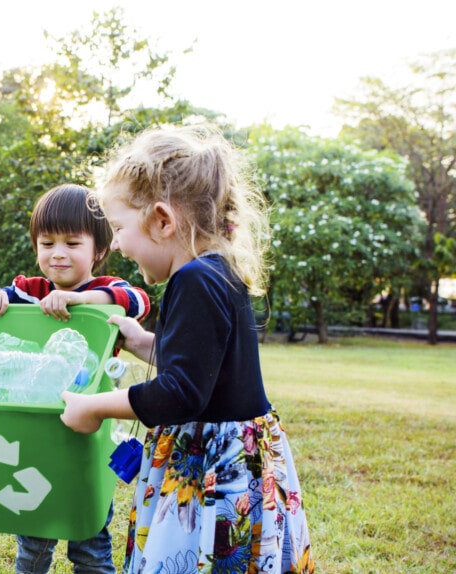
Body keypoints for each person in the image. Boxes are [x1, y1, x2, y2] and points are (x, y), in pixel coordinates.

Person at [60, 127, 314, 573]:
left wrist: (95, 407)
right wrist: (141, 342)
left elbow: (181, 393)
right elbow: (202, 366)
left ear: (162, 221)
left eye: (119, 228)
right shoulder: (217, 270)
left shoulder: (193, 279)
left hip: (213, 467)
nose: (115, 243)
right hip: (240, 456)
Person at [0, 183, 151, 574]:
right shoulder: (30, 292)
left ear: (98, 250)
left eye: (71, 243)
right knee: (33, 538)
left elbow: (135, 300)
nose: (57, 253)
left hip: (89, 436)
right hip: (34, 433)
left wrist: (78, 299)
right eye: (46, 243)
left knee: (91, 543)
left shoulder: (104, 290)